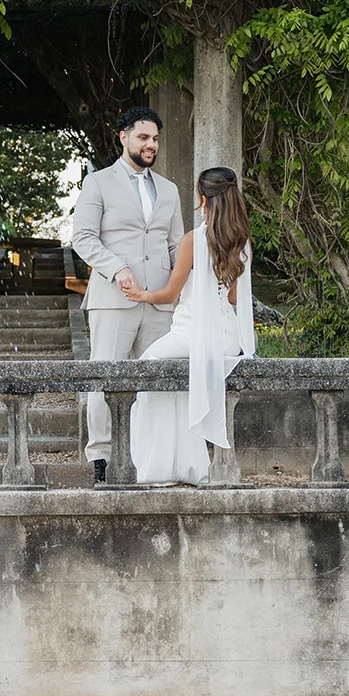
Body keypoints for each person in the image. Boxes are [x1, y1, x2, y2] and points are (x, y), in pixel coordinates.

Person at [69, 106, 184, 482]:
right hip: (112, 299)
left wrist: (180, 286)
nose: (151, 145)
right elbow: (83, 237)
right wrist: (117, 268)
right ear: (124, 137)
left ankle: (147, 455)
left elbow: (174, 246)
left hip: (159, 301)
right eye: (143, 137)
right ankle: (100, 457)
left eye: (155, 139)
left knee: (155, 381)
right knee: (105, 377)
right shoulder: (98, 183)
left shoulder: (169, 189)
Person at [120, 166, 256, 485]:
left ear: (201, 198)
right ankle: (189, 465)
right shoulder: (241, 241)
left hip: (190, 334)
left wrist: (141, 294)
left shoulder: (194, 240)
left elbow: (168, 294)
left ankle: (156, 465)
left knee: (147, 369)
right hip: (225, 337)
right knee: (180, 386)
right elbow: (235, 298)